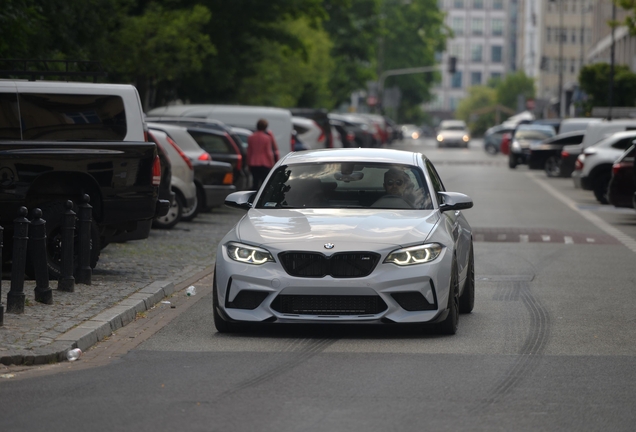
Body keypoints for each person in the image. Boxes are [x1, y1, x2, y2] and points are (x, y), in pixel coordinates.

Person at [247, 119, 280, 189]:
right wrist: (272, 163)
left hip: (253, 163)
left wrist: (248, 163)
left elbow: (249, 152)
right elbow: (269, 152)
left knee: (255, 182)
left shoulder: (251, 137)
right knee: (264, 183)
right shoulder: (267, 138)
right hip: (264, 163)